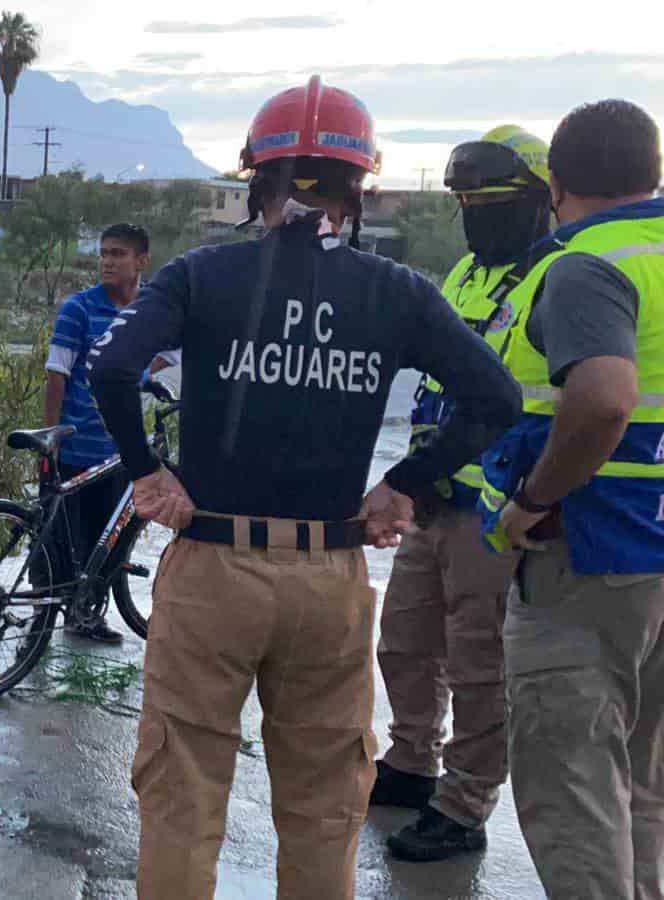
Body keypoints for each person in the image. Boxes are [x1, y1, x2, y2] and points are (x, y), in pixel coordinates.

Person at [87, 76, 521, 899]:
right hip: (330, 574)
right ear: (360, 187)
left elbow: (111, 368)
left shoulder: (201, 275)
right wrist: (404, 486)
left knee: (183, 794)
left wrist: (147, 472)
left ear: (256, 180)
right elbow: (494, 398)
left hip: (214, 564)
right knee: (325, 807)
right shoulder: (397, 293)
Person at [478, 98, 664, 900]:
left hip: (587, 559)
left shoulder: (589, 264)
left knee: (575, 790)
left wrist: (530, 499)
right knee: (644, 785)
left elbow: (602, 399)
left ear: (557, 182)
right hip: (653, 566)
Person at [371, 125, 553, 862]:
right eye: (466, 200)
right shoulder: (464, 278)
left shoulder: (557, 278)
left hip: (495, 510)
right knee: (405, 642)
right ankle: (412, 759)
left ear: (537, 199)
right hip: (434, 492)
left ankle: (465, 800)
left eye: (492, 198)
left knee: (480, 664)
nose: (476, 212)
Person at [43, 222, 153, 643]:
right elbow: (56, 374)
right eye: (104, 253)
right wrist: (51, 437)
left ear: (141, 261)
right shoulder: (79, 309)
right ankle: (54, 618)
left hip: (119, 450)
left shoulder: (149, 312)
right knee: (68, 540)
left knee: (113, 538)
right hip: (76, 447)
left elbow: (165, 360)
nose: (107, 261)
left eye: (118, 254)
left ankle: (88, 613)